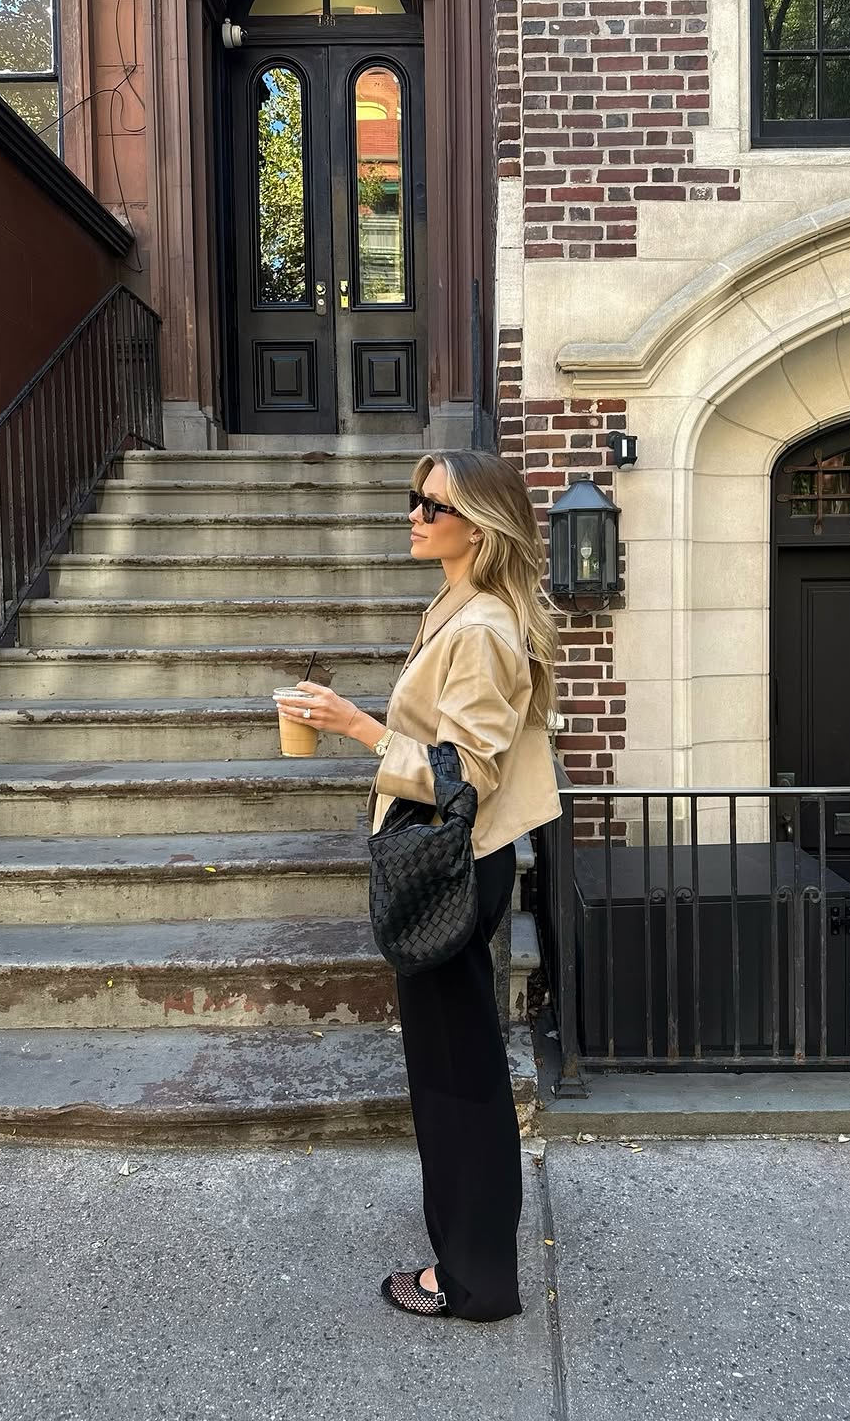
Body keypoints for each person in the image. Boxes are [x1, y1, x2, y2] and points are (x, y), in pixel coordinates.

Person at [275, 449, 562, 1322]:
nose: (413, 515)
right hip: (460, 860)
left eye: (430, 504)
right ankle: (471, 1259)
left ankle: (470, 1279)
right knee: (455, 1064)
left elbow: (462, 773)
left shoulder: (479, 627)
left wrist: (359, 728)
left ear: (477, 524)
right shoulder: (462, 605)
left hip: (452, 865)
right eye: (414, 500)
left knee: (456, 1075)